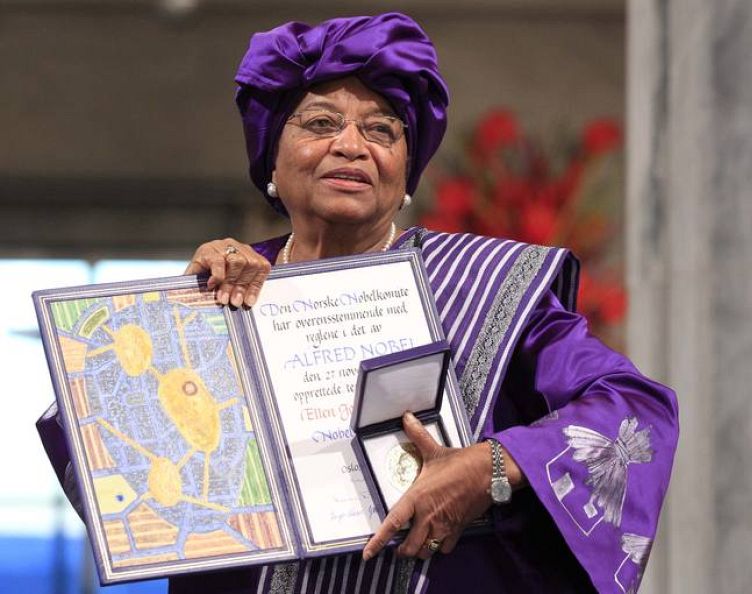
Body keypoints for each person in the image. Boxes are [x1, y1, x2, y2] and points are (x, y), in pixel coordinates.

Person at [38, 13, 677, 594]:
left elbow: (635, 411)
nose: (351, 145)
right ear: (271, 162)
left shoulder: (490, 287)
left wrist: (491, 466)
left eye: (381, 130)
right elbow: (118, 464)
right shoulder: (228, 290)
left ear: (405, 172)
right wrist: (181, 325)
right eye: (320, 123)